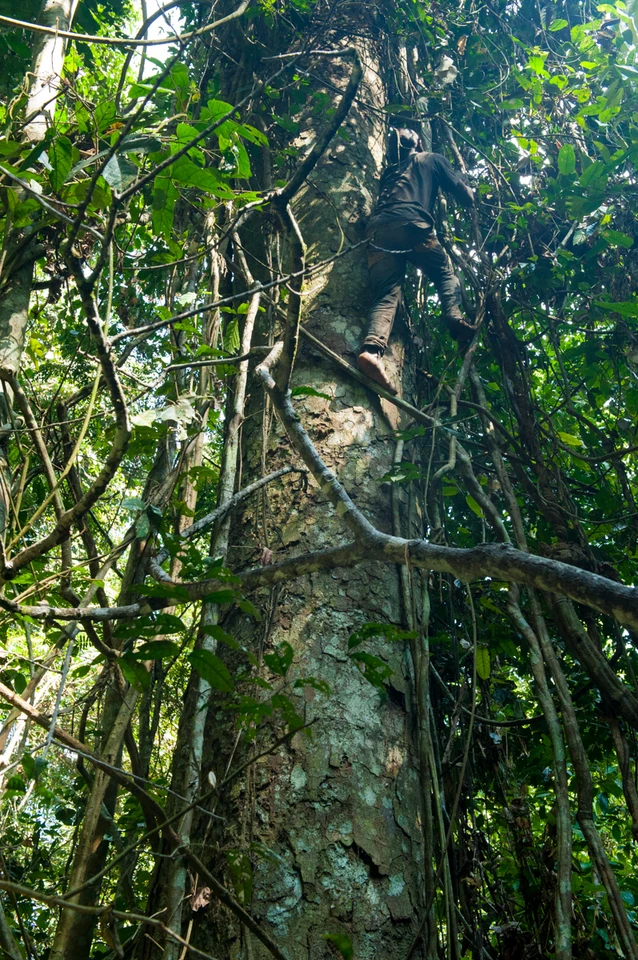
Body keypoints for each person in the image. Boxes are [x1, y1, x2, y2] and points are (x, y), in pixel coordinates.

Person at [358, 128, 476, 394]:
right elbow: (467, 198)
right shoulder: (431, 159)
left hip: (378, 231)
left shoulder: (389, 173)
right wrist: (463, 181)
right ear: (419, 143)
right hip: (413, 225)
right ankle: (453, 317)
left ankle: (371, 352)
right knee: (445, 272)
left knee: (386, 294)